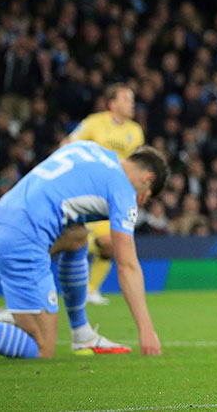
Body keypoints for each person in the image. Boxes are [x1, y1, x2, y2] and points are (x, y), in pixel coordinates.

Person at [0, 142, 167, 358]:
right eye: (146, 195)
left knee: (77, 237)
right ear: (148, 179)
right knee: (41, 348)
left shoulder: (87, 148)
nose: (140, 201)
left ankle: (82, 334)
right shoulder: (123, 190)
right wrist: (146, 331)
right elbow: (127, 265)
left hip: (5, 214)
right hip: (24, 237)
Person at [65, 83, 145, 308]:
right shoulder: (94, 123)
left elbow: (137, 165)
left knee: (112, 245)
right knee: (107, 241)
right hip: (90, 191)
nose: (132, 104)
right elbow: (68, 144)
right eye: (127, 99)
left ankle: (91, 290)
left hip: (117, 195)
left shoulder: (135, 131)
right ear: (113, 103)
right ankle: (67, 244)